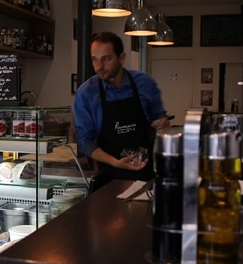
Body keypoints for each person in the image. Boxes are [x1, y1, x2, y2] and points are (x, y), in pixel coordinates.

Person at [73, 31, 171, 184]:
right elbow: (84, 141)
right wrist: (115, 162)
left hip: (146, 176)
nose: (99, 66)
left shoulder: (144, 83)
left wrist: (161, 123)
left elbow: (159, 118)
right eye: (94, 59)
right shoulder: (86, 93)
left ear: (121, 58)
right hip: (109, 178)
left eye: (106, 59)